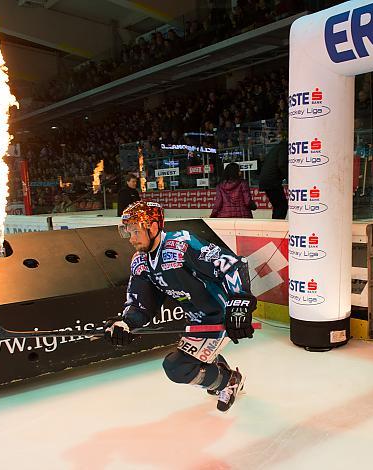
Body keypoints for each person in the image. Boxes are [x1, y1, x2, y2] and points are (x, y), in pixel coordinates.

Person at [103, 201, 256, 412]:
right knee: (194, 359)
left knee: (177, 367)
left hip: (219, 317)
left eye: (135, 231)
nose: (131, 238)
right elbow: (141, 304)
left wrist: (239, 304)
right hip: (195, 320)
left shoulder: (181, 244)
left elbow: (231, 264)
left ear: (154, 227)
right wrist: (126, 323)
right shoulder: (140, 261)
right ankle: (218, 374)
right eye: (127, 232)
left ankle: (229, 381)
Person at [259, 139, 288, 219]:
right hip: (272, 181)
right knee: (281, 206)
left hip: (267, 180)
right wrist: (288, 178)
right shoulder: (283, 148)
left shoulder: (276, 148)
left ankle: (275, 224)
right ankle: (277, 226)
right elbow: (282, 164)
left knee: (278, 206)